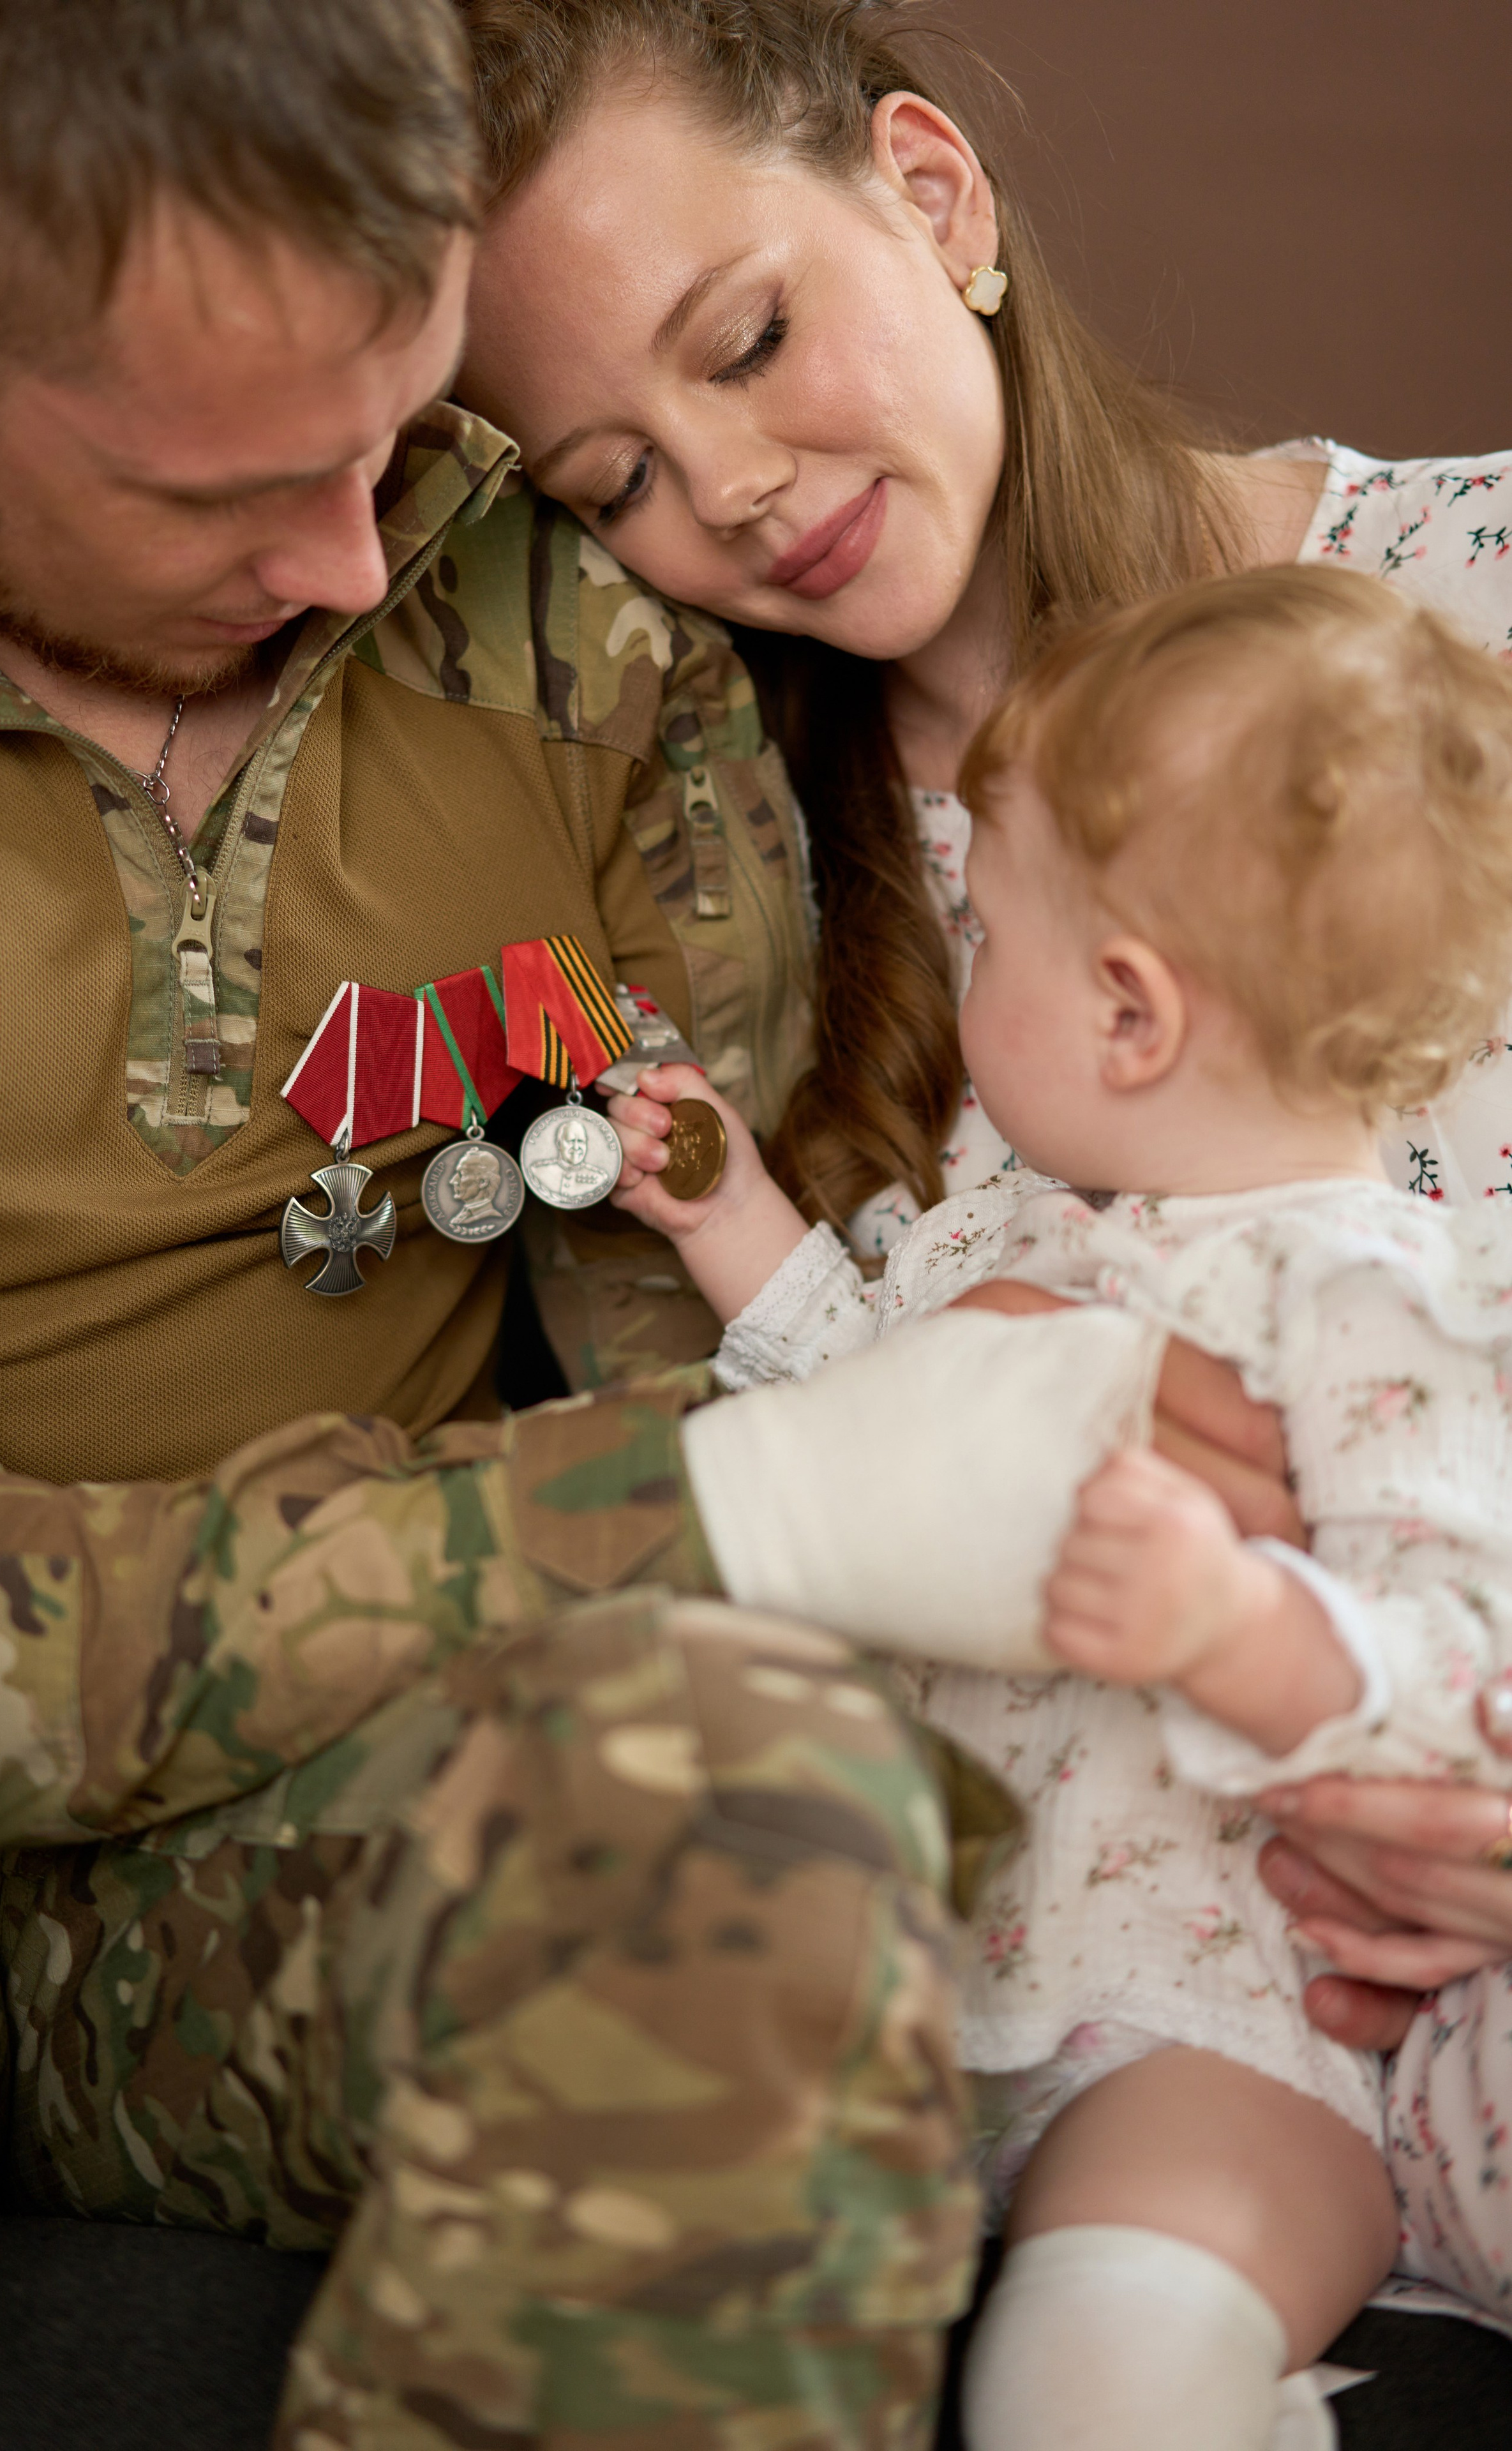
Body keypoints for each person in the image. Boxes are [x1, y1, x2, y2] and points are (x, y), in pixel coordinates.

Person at [0, 6, 1014, 2446]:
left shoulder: (586, 657)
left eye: (397, 440)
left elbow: (701, 1337)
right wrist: (721, 1510)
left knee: (763, 1800)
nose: (357, 562)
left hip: (305, 1851)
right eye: (231, 495)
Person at [452, 0, 1512, 2208]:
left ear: (934, 198)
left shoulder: (1466, 617)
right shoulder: (727, 901)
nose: (723, 484)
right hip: (1172, 2022)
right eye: (616, 480)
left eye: (745, 339)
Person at [604, 562, 1512, 2447]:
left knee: (1087, 2379)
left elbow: (1460, 1682)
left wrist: (1231, 1628)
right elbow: (865, 1408)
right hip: (917, 1998)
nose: (966, 975)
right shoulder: (1013, 1232)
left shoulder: (1377, 1299)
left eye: (986, 936)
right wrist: (728, 1221)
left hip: (1211, 2027)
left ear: (1129, 1015)